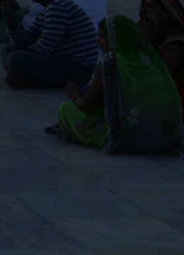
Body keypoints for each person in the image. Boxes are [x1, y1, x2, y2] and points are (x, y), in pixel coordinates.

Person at [50, 16, 184, 154]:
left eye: (102, 37)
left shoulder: (110, 64)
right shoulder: (150, 59)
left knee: (67, 109)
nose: (98, 42)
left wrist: (74, 94)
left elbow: (84, 105)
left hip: (126, 137)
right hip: (162, 136)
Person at [0, 0, 100, 89]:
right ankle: (24, 78)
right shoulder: (48, 9)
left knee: (15, 58)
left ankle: (28, 80)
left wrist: (23, 49)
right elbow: (25, 39)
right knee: (8, 51)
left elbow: (42, 49)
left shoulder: (59, 8)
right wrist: (10, 20)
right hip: (62, 62)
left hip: (77, 69)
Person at [139, 0, 184, 110]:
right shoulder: (153, 31)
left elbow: (157, 77)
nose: (145, 10)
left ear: (166, 12)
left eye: (152, 7)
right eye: (144, 6)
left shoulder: (174, 44)